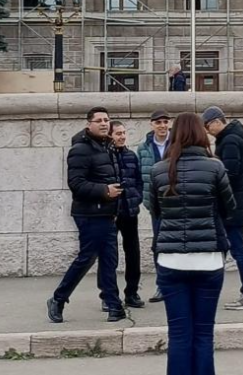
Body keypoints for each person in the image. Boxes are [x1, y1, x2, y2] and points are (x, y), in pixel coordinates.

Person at [149, 112, 237, 375]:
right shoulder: (215, 167)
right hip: (208, 259)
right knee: (203, 333)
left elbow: (155, 210)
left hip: (170, 259)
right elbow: (229, 208)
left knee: (178, 334)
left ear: (174, 135)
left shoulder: (158, 170)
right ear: (201, 134)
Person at [47, 107, 125, 324]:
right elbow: (76, 184)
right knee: (87, 258)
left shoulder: (106, 147)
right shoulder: (81, 149)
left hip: (107, 212)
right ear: (88, 124)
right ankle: (58, 298)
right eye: (99, 120)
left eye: (107, 120)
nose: (104, 123)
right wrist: (104, 191)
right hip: (90, 213)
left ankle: (114, 305)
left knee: (109, 259)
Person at [203, 105, 243, 311]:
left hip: (231, 205)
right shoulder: (230, 138)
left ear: (217, 121)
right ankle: (213, 291)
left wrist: (213, 164)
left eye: (208, 126)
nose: (208, 131)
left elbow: (229, 173)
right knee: (225, 248)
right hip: (233, 203)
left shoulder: (231, 140)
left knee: (237, 249)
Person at [110, 121, 146, 309]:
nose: (122, 136)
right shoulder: (105, 157)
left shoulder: (131, 156)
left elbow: (139, 181)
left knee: (133, 254)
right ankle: (109, 296)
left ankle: (132, 293)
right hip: (111, 214)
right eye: (118, 133)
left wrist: (136, 198)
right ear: (110, 136)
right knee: (110, 256)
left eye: (124, 133)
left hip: (130, 212)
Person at [138, 109, 172, 303]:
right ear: (152, 125)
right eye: (158, 122)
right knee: (158, 245)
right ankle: (162, 285)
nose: (162, 126)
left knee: (175, 245)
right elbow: (140, 178)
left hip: (175, 204)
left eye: (165, 122)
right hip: (155, 206)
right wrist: (146, 202)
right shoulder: (143, 149)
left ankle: (176, 284)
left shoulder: (177, 145)